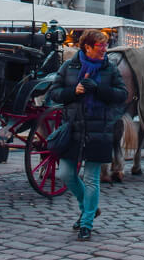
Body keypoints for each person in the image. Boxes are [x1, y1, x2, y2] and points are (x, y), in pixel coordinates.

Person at [47, 29, 127, 242]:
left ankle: (87, 223)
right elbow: (55, 93)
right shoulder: (69, 67)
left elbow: (122, 95)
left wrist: (99, 89)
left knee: (92, 179)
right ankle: (88, 208)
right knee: (66, 173)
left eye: (105, 45)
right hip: (73, 128)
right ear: (87, 47)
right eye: (100, 46)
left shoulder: (110, 69)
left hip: (99, 129)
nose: (104, 50)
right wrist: (75, 91)